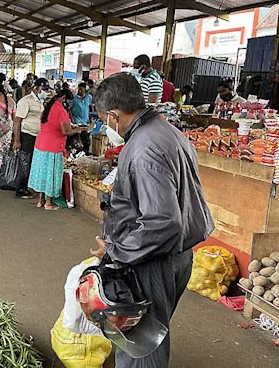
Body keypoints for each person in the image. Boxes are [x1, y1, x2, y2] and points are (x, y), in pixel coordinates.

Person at [89, 73, 214, 368]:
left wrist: (116, 251)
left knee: (141, 347)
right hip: (177, 256)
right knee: (149, 335)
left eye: (104, 120)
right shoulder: (168, 132)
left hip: (154, 260)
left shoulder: (144, 148)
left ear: (113, 115)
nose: (106, 126)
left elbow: (162, 222)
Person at [28, 88, 84, 210]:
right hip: (53, 146)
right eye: (67, 101)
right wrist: (78, 130)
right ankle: (48, 203)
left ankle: (40, 200)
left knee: (42, 173)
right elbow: (66, 131)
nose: (68, 105)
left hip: (41, 144)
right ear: (63, 99)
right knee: (51, 173)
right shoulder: (60, 110)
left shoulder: (47, 109)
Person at [13, 77, 49, 198]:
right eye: (44, 89)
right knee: (24, 162)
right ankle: (21, 190)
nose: (46, 91)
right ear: (36, 88)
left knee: (32, 162)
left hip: (37, 136)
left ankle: (27, 187)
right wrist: (17, 141)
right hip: (26, 135)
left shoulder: (40, 102)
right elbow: (17, 121)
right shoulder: (25, 101)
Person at [70, 82, 91, 153]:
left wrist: (90, 120)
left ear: (85, 89)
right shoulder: (74, 98)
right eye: (79, 89)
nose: (79, 91)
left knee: (86, 141)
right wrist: (72, 120)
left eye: (81, 89)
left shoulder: (89, 97)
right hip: (77, 122)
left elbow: (91, 108)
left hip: (86, 122)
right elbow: (70, 109)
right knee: (78, 141)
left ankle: (86, 154)